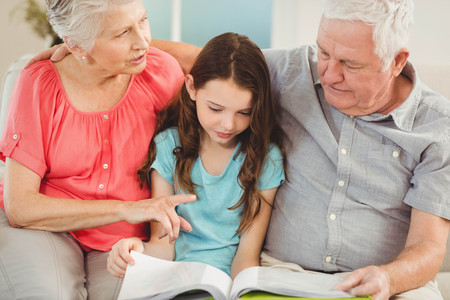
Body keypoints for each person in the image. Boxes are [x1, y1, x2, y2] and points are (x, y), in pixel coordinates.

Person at [20, 0, 450, 299]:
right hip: (286, 275)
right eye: (323, 52)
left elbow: (429, 248)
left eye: (350, 65)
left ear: (396, 61)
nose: (329, 74)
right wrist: (82, 52)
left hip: (386, 285)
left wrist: (388, 279)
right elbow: (214, 63)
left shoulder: (436, 128)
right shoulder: (292, 70)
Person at [0, 0, 197, 299]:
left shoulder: (160, 74)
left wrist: (129, 42)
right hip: (47, 228)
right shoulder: (38, 83)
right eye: (121, 33)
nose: (142, 41)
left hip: (124, 240)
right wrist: (125, 208)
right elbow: (21, 208)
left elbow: (226, 66)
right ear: (76, 46)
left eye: (142, 21)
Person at [106, 32, 285, 279]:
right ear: (191, 88)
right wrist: (136, 251)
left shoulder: (266, 159)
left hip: (229, 282)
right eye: (215, 108)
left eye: (244, 112)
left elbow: (247, 257)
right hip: (175, 279)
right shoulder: (168, 146)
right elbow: (162, 247)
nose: (228, 124)